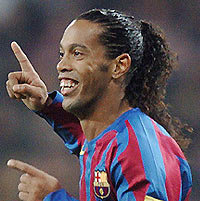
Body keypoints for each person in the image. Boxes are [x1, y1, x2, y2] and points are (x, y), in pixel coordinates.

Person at [6, 8, 192, 201]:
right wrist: (45, 104)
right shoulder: (109, 136)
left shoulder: (136, 149)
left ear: (119, 66)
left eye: (77, 53)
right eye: (62, 54)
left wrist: (53, 198)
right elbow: (95, 142)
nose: (61, 65)